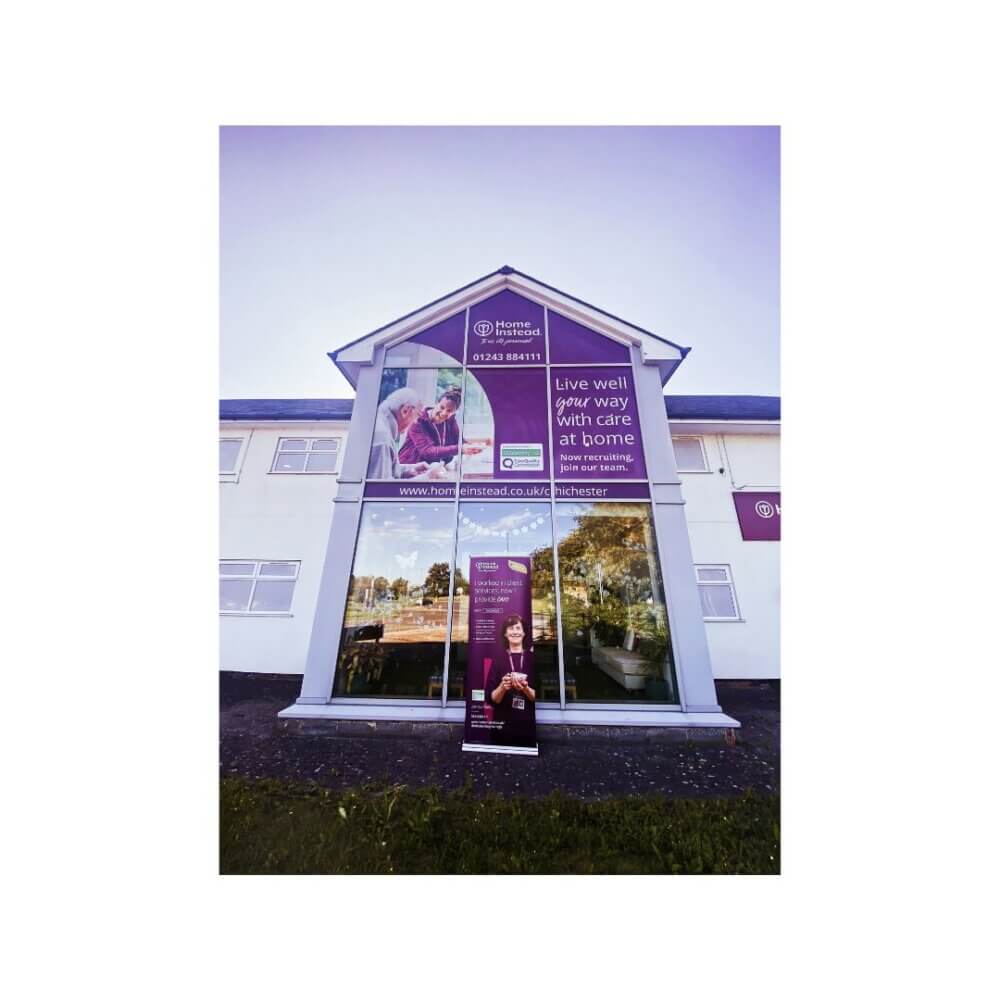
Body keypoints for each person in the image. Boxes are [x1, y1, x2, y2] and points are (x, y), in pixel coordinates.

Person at [397, 386, 483, 467]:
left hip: (431, 468)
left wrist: (472, 447)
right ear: (436, 403)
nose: (444, 413)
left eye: (449, 411)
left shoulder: (450, 421)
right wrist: (461, 448)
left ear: (454, 412)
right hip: (409, 467)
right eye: (442, 407)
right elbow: (427, 451)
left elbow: (458, 441)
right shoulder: (418, 421)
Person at [487, 614, 536, 746]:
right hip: (502, 728)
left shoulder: (532, 658)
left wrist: (525, 688)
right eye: (511, 628)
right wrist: (502, 687)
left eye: (518, 628)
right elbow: (492, 699)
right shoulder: (497, 659)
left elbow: (537, 698)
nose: (515, 632)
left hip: (527, 728)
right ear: (505, 633)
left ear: (524, 633)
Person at [367, 387, 432, 480]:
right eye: (417, 416)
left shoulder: (378, 423)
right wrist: (425, 478)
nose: (415, 422)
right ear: (405, 411)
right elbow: (380, 487)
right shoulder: (382, 438)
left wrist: (409, 469)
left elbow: (385, 470)